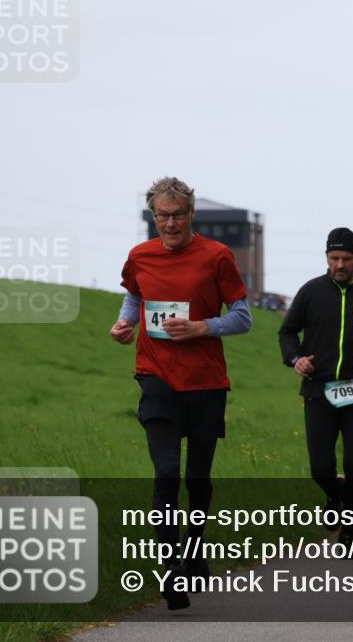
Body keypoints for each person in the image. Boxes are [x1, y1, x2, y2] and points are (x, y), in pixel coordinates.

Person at [110, 177, 253, 610]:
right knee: (167, 472)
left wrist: (201, 327)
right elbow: (134, 297)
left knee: (197, 478)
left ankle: (195, 545)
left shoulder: (216, 256)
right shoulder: (140, 256)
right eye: (161, 216)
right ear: (154, 217)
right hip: (155, 376)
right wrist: (124, 324)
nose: (169, 224)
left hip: (206, 381)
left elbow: (243, 318)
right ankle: (171, 571)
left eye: (177, 215)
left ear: (191, 215)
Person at [278, 228, 353, 553]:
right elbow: (287, 332)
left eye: (346, 259)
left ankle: (348, 535)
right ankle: (334, 494)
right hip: (318, 391)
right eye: (334, 258)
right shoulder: (311, 292)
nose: (340, 264)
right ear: (327, 259)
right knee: (320, 467)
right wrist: (294, 359)